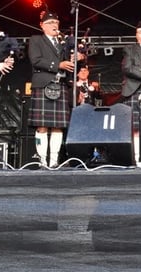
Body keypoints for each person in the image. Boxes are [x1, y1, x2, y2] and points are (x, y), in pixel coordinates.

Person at [27, 10, 85, 168]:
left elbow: (70, 66)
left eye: (56, 23)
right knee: (42, 126)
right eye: (50, 23)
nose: (54, 25)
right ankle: (42, 161)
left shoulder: (63, 43)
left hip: (60, 85)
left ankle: (53, 162)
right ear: (42, 25)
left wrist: (77, 59)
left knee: (58, 127)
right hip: (43, 84)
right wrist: (58, 65)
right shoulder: (36, 40)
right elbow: (35, 60)